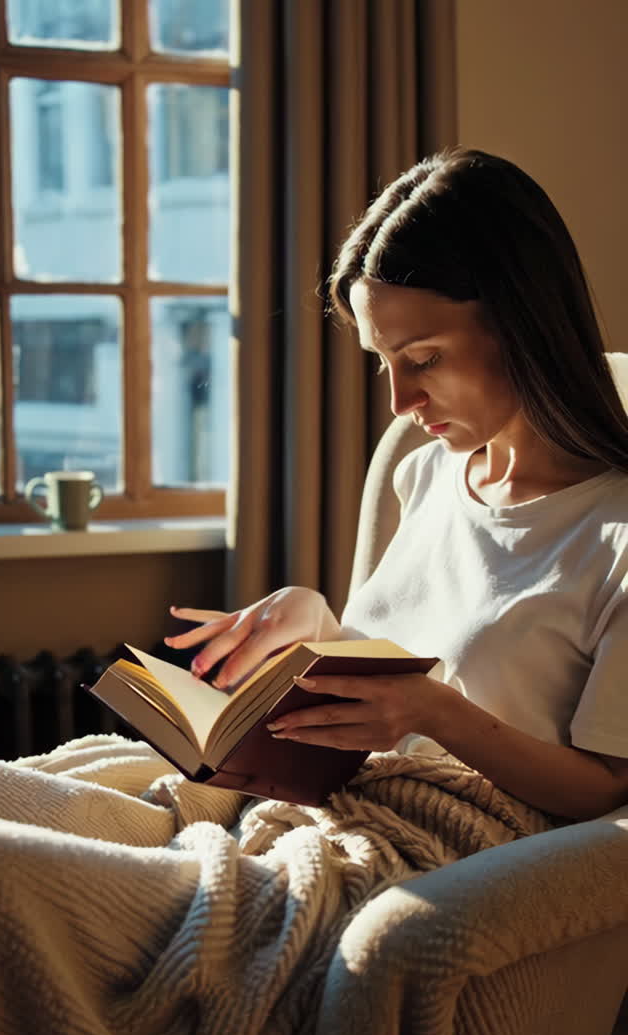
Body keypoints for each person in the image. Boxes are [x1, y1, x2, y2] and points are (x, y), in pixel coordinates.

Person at [164, 146, 628, 823]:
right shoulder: (427, 470)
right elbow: (389, 689)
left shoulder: (613, 534)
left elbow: (609, 793)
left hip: (451, 849)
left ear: (523, 326)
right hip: (334, 805)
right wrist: (318, 625)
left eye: (424, 359)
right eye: (382, 362)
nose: (399, 402)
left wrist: (441, 714)